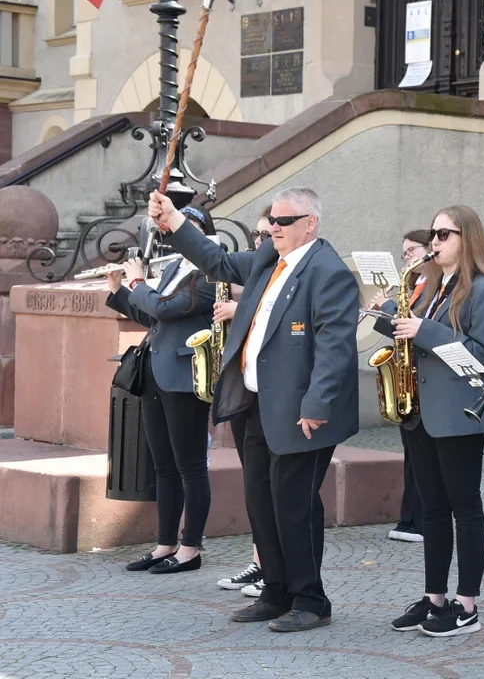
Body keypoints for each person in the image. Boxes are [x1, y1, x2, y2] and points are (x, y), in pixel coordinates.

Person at [149, 187, 360, 633]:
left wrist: (318, 402)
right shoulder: (270, 258)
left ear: (311, 223)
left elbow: (336, 346)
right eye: (272, 222)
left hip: (302, 411)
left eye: (284, 222)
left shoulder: (328, 271)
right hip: (257, 403)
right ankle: (276, 591)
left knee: (294, 505)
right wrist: (174, 221)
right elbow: (218, 263)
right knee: (260, 501)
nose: (274, 229)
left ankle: (311, 599)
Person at [373, 206, 484, 637]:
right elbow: (416, 334)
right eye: (433, 232)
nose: (435, 240)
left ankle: (466, 605)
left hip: (459, 414)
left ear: (467, 237)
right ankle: (435, 599)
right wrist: (386, 315)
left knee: (465, 509)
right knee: (431, 510)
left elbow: (481, 357)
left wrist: (422, 330)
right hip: (420, 412)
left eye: (444, 233)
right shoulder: (430, 285)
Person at [107, 205, 217, 576]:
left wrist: (138, 283)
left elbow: (169, 309)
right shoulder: (174, 268)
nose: (170, 232)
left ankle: (190, 549)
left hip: (186, 377)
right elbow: (152, 316)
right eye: (168, 227)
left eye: (177, 226)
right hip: (155, 371)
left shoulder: (210, 272)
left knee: (191, 467)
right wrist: (120, 291)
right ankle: (164, 544)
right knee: (164, 466)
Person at [216, 205, 272, 594]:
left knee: (270, 487)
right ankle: (259, 560)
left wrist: (241, 309)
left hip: (271, 394)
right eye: (256, 235)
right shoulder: (254, 265)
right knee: (253, 483)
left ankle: (272, 568)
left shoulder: (292, 270)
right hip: (243, 386)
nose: (260, 242)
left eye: (266, 235)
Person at [382, 229, 432, 544]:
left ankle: (421, 519)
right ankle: (409, 517)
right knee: (410, 452)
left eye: (412, 250)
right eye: (405, 253)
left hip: (423, 375)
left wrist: (389, 309)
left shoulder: (432, 289)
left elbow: (419, 325)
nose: (408, 257)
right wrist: (381, 311)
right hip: (406, 373)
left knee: (422, 454)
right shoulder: (414, 286)